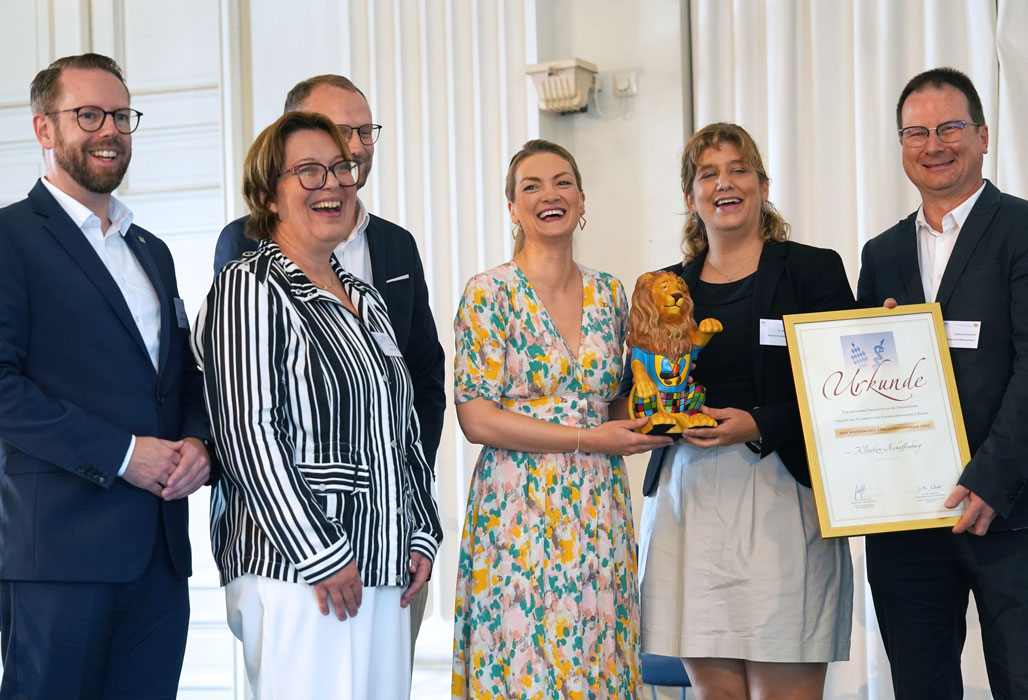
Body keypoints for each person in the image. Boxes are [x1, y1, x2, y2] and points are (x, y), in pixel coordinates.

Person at [193, 110, 442, 700]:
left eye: (340, 168)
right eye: (308, 171)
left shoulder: (364, 300)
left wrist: (422, 533)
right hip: (298, 571)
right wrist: (320, 553)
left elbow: (401, 432)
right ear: (267, 195)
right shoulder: (248, 286)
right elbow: (248, 433)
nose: (331, 184)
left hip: (383, 565)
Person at [0, 53, 211, 699]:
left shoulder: (152, 248)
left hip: (159, 554)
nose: (109, 130)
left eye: (120, 115)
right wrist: (122, 455)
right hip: (58, 556)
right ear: (43, 128)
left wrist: (202, 444)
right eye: (87, 114)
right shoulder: (10, 238)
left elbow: (184, 374)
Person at [632, 123, 854, 700]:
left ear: (761, 184)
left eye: (739, 170)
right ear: (690, 197)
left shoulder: (812, 271)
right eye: (708, 174)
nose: (725, 183)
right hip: (688, 504)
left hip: (784, 499)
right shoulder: (662, 288)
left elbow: (847, 388)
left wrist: (760, 422)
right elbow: (642, 387)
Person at [451, 139, 672, 698]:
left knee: (597, 658)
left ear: (581, 198)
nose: (550, 195)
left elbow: (620, 399)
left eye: (562, 182)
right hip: (518, 509)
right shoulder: (488, 293)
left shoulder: (610, 293)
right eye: (532, 186)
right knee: (524, 664)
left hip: (598, 504)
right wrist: (586, 438)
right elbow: (477, 418)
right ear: (512, 209)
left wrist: (667, 400)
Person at [857, 67, 1028, 700]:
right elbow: (862, 383)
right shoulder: (882, 254)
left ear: (983, 136)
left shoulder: (1021, 231)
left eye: (951, 127)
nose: (934, 145)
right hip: (907, 524)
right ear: (901, 145)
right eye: (916, 132)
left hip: (1010, 512)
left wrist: (991, 476)